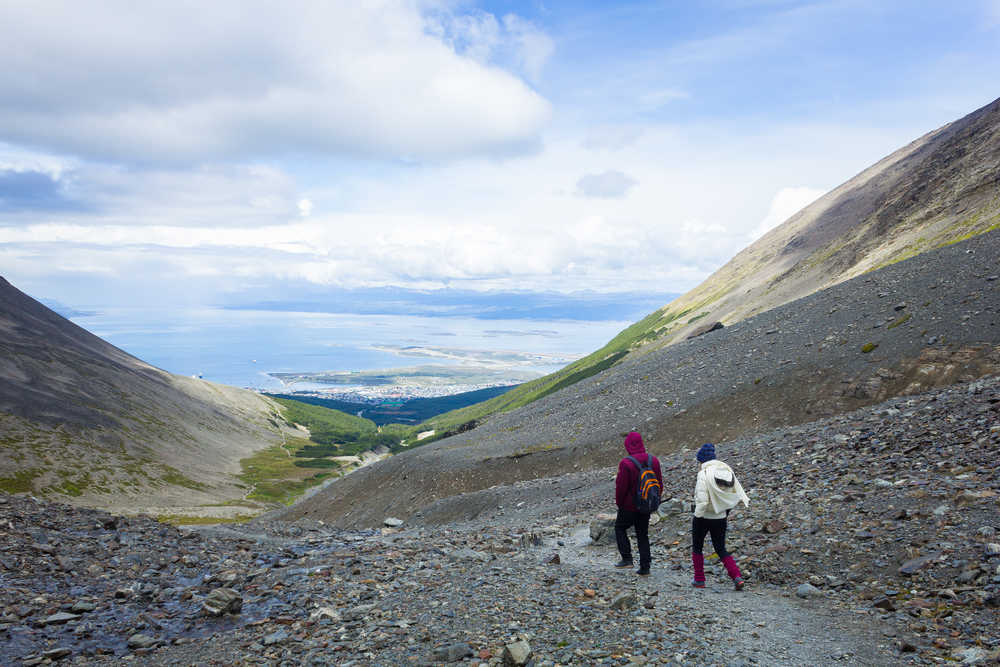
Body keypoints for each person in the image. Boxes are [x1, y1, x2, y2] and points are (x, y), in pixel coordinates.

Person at [691, 442, 749, 590]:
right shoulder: (726, 472)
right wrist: (724, 513)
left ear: (702, 460)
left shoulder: (703, 474)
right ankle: (737, 577)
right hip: (721, 517)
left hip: (704, 517)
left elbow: (702, 501)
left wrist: (697, 516)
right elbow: (732, 496)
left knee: (697, 547)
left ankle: (699, 580)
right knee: (721, 548)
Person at [614, 431, 662, 576]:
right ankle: (645, 567)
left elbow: (621, 487)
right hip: (646, 505)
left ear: (628, 446)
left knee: (620, 528)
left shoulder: (626, 463)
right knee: (643, 534)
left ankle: (627, 558)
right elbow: (659, 483)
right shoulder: (653, 460)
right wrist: (653, 500)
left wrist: (620, 503)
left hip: (629, 506)